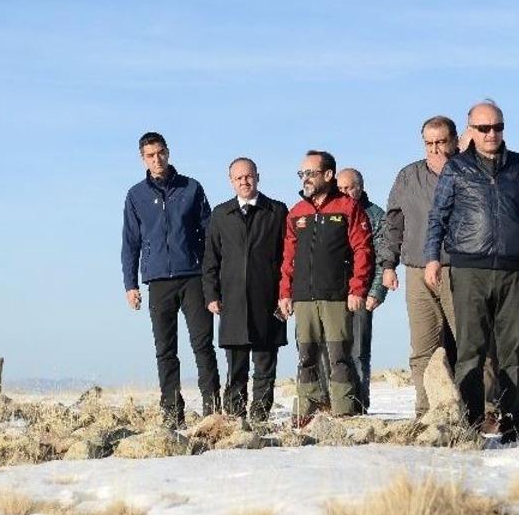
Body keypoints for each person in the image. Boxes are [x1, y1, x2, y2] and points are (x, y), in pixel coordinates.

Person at [425, 100, 519, 442]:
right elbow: (438, 216)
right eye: (483, 128)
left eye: (497, 127)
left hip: (514, 270)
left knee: (513, 351)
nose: (491, 134)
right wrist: (432, 257)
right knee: (470, 350)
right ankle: (470, 422)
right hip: (469, 269)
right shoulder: (457, 169)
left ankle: (511, 422)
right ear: (471, 131)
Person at [122, 132, 221, 422]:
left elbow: (210, 235)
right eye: (150, 155)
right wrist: (131, 285)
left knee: (202, 345)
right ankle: (171, 412)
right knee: (165, 350)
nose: (157, 159)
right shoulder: (136, 195)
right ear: (143, 159)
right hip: (158, 281)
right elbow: (130, 242)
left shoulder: (191, 188)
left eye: (161, 153)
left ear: (168, 152)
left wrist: (212, 277)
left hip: (193, 278)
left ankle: (212, 409)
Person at [278, 150, 374, 421]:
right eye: (302, 174)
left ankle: (344, 411)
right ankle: (306, 413)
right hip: (303, 297)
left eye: (310, 173)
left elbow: (362, 250)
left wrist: (357, 288)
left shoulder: (348, 208)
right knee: (306, 356)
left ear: (328, 175)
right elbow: (288, 257)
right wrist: (285, 293)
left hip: (336, 296)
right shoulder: (297, 213)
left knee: (339, 356)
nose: (305, 179)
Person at [380, 116, 460, 418]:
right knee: (423, 347)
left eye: (441, 142)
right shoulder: (408, 176)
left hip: (459, 269)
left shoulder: (469, 172)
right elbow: (393, 224)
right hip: (416, 269)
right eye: (430, 143)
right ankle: (427, 412)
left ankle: (470, 409)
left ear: (454, 140)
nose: (436, 149)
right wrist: (388, 265)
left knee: (466, 345)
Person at [202, 158, 289, 423]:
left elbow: (287, 256)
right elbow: (210, 260)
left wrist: (286, 294)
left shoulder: (276, 211)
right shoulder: (220, 214)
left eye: (248, 176)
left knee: (265, 366)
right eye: (238, 178)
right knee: (236, 369)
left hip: (268, 301)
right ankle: (236, 419)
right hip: (233, 302)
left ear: (257, 177)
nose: (244, 181)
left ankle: (260, 418)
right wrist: (211, 295)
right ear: (231, 181)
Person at [327, 168, 388, 412]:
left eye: (348, 187)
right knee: (331, 351)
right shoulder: (330, 212)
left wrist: (376, 292)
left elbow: (384, 258)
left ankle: (360, 405)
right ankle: (336, 403)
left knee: (358, 352)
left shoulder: (375, 215)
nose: (343, 193)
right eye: (339, 188)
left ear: (360, 187)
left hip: (362, 293)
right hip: (332, 293)